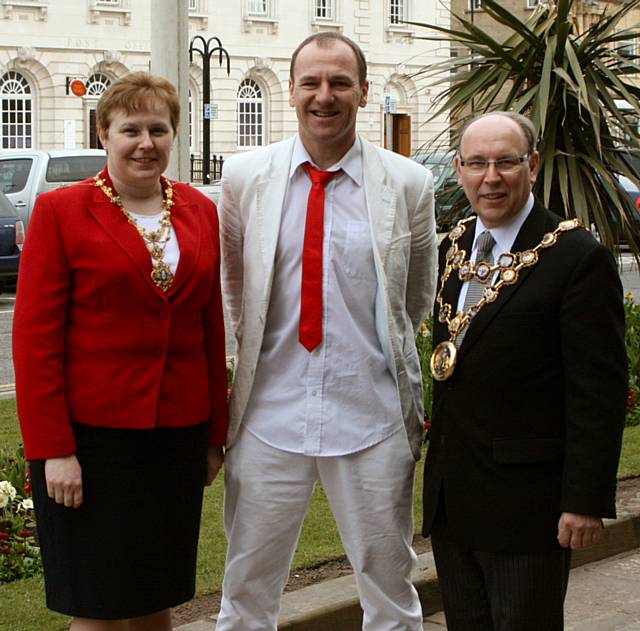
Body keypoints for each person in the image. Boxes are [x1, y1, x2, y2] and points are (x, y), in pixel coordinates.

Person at [216, 32, 437, 630]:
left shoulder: (409, 184)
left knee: (390, 593)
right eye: (311, 82)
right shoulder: (243, 179)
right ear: (290, 91)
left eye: (340, 82)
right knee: (245, 594)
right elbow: (236, 292)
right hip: (269, 416)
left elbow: (413, 300)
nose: (325, 96)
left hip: (371, 416)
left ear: (364, 92)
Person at [12, 72, 228, 631]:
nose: (145, 142)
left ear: (173, 136)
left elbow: (210, 330)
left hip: (176, 437)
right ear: (104, 133)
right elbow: (35, 341)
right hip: (91, 443)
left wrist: (213, 436)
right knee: (100, 607)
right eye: (130, 128)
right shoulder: (62, 212)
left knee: (156, 596)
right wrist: (54, 449)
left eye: (159, 129)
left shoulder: (200, 212)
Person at [422, 111, 628, 630]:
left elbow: (597, 392)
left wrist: (583, 500)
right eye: (476, 164)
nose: (491, 177)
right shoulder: (457, 245)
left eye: (506, 162)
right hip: (456, 500)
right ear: (459, 169)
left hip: (528, 508)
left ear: (532, 166)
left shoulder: (577, 256)